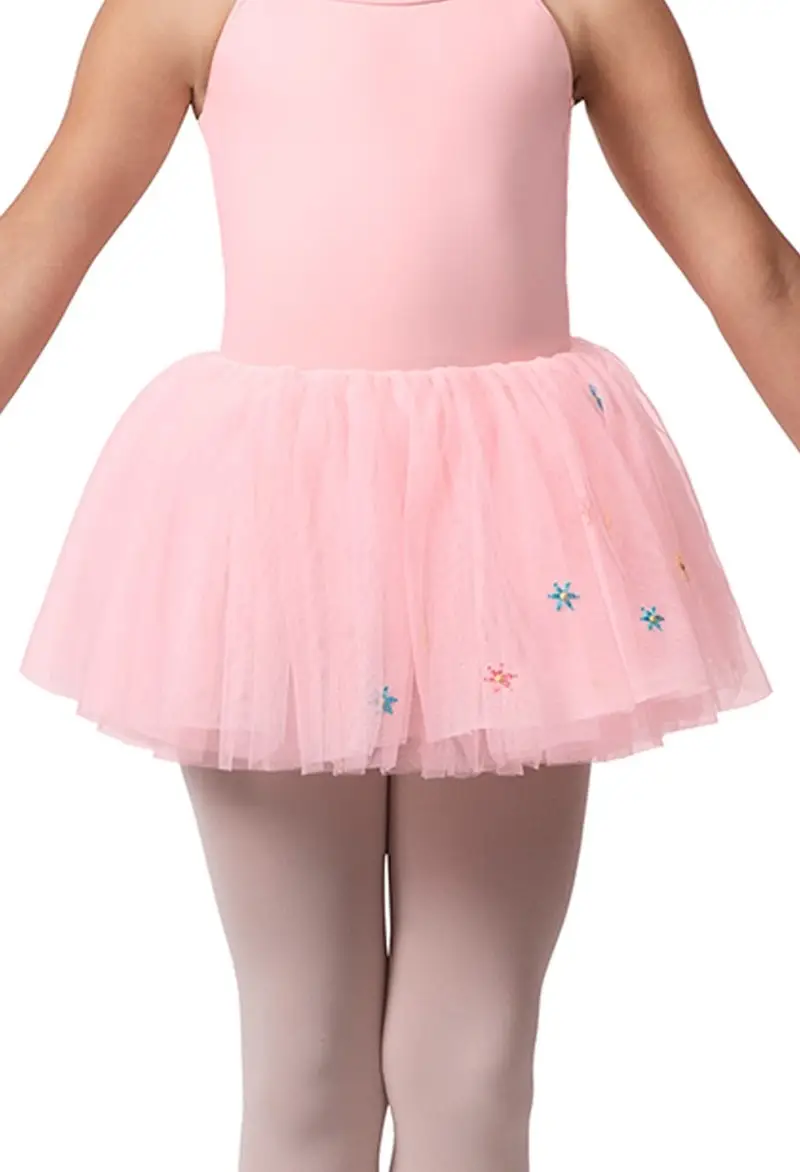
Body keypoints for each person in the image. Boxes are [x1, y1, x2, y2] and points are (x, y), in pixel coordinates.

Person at [1, 0, 796, 1169]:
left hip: (508, 549)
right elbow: (35, 247)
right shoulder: (182, 6)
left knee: (468, 1052)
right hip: (277, 547)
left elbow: (758, 276)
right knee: (305, 1048)